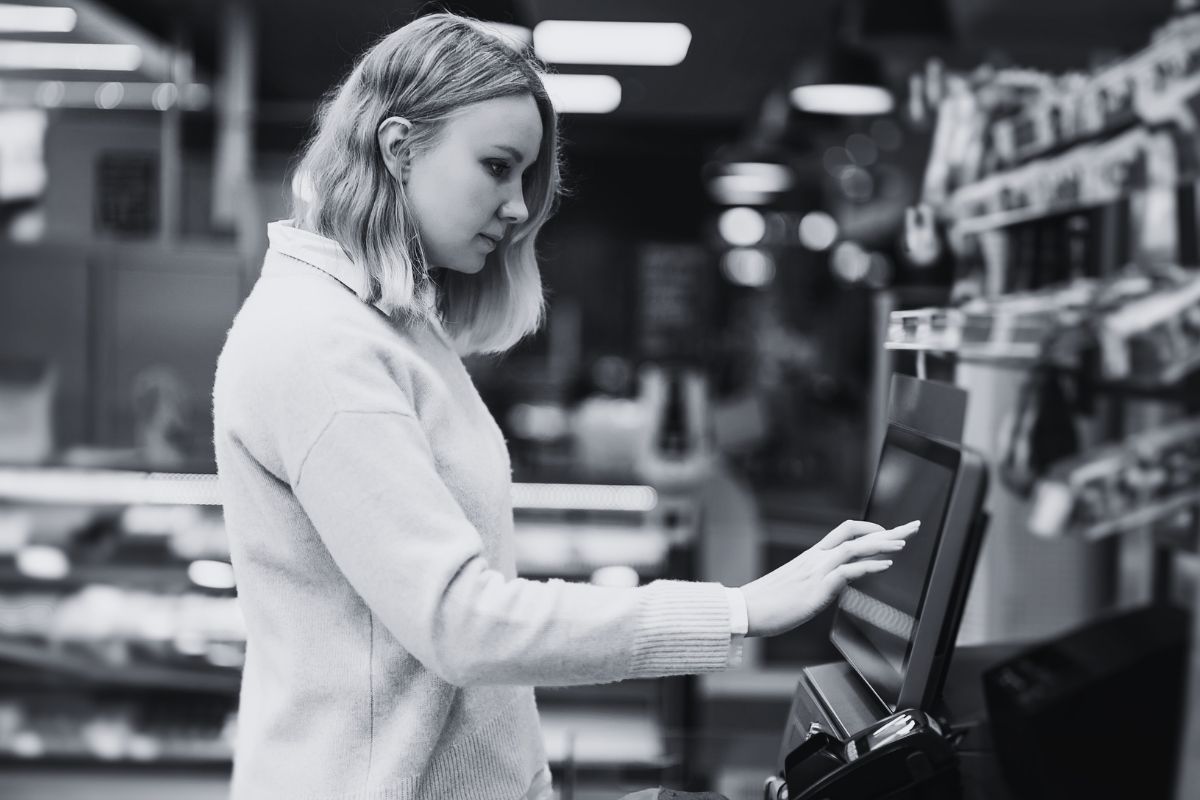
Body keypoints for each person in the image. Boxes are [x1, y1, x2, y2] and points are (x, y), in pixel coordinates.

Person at [212, 12, 919, 800]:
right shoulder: (321, 343)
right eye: (497, 166)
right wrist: (738, 610)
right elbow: (460, 622)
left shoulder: (389, 326)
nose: (518, 208)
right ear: (398, 147)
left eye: (526, 177)